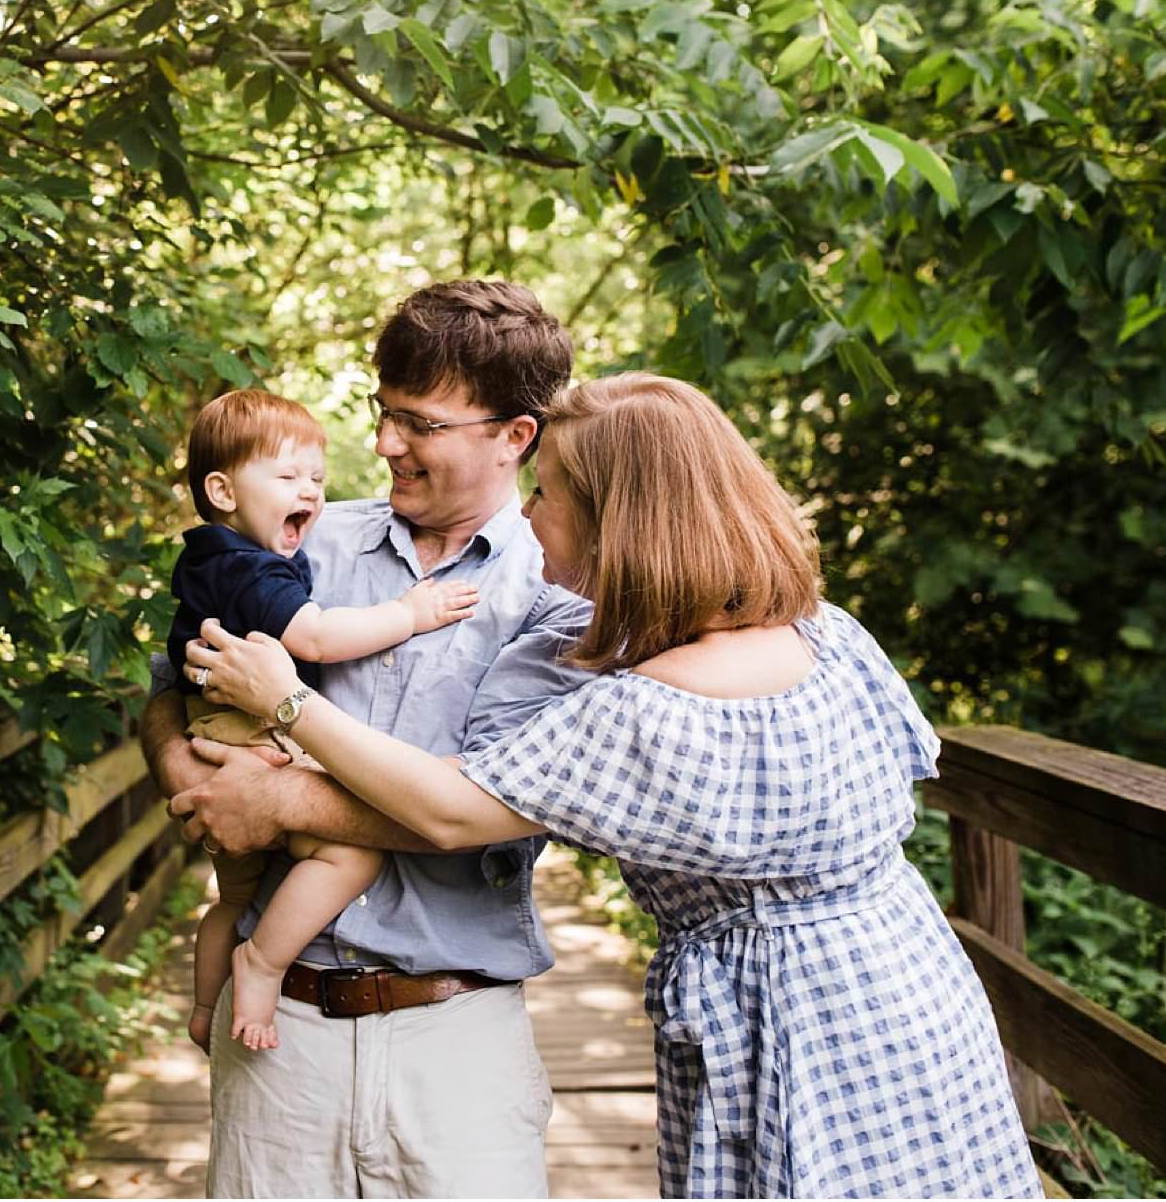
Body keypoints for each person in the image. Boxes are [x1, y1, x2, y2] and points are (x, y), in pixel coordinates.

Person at [182, 372, 1045, 1200]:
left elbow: (451, 807)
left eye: (549, 493)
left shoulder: (651, 709)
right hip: (912, 984)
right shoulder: (827, 632)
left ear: (619, 521)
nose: (528, 511)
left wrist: (288, 704)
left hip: (797, 1031)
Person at [142, 279, 593, 1198]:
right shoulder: (304, 541)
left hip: (455, 1043)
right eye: (383, 415)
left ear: (516, 436)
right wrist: (188, 772)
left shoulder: (559, 594)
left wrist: (275, 800)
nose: (385, 444)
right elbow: (168, 678)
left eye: (420, 424)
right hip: (279, 1037)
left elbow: (499, 809)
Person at [165, 388, 480, 1054]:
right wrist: (411, 614)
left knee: (233, 897)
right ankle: (263, 963)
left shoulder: (217, 556)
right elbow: (315, 637)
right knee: (351, 850)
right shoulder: (247, 564)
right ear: (222, 490)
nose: (309, 490)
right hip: (248, 733)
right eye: (287, 476)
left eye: (316, 476)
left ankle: (203, 1005)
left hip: (220, 729)